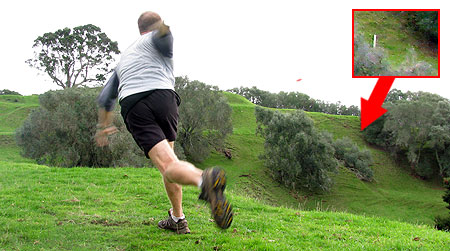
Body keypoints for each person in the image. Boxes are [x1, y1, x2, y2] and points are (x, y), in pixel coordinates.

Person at [95, 11, 233, 234]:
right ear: (154, 26)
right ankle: (178, 219)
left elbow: (105, 98)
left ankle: (203, 180)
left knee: (168, 166)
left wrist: (103, 126)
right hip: (165, 99)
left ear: (140, 30)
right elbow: (165, 37)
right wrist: (164, 27)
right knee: (171, 162)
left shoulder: (126, 58)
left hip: (136, 103)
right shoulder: (157, 37)